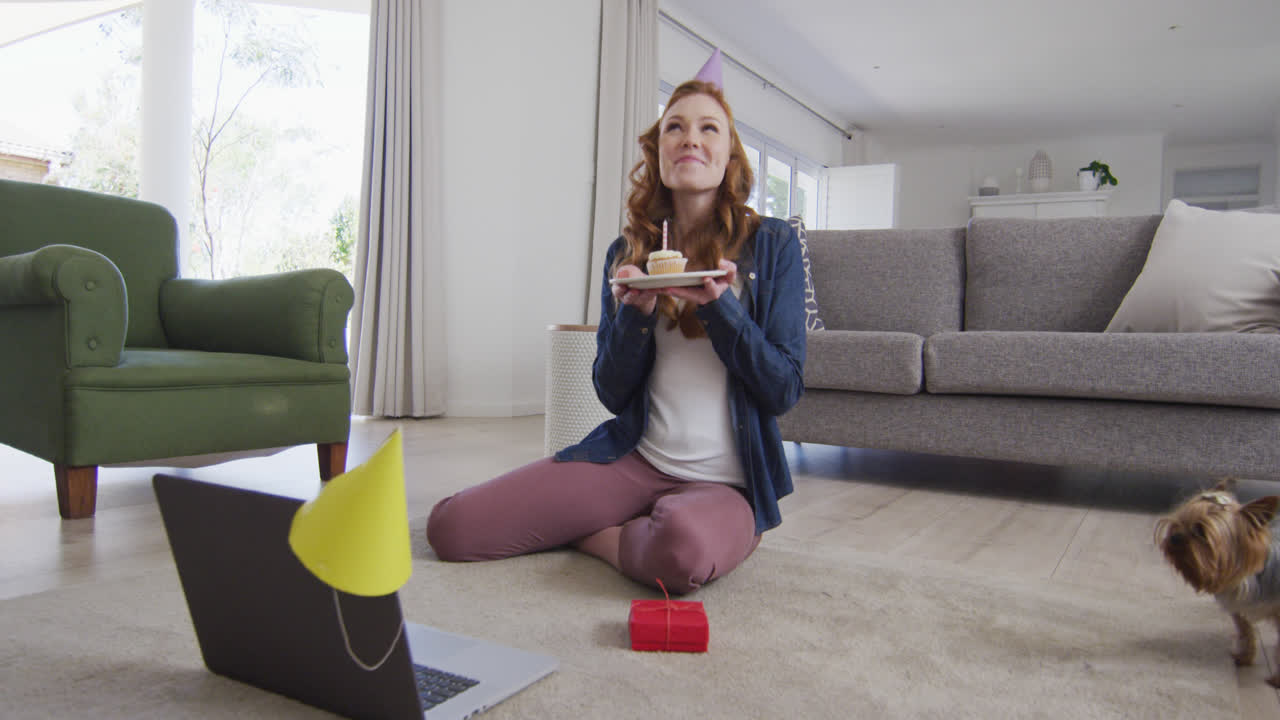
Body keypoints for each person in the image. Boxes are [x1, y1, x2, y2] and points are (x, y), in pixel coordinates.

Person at [426, 50, 806, 594]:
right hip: (636, 459)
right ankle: (634, 529)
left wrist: (719, 308)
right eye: (675, 126)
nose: (690, 138)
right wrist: (636, 314)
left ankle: (603, 538)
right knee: (452, 529)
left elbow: (783, 389)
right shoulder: (629, 252)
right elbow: (610, 390)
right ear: (659, 152)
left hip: (725, 482)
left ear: (730, 156)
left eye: (708, 128)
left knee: (681, 549)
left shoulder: (772, 246)